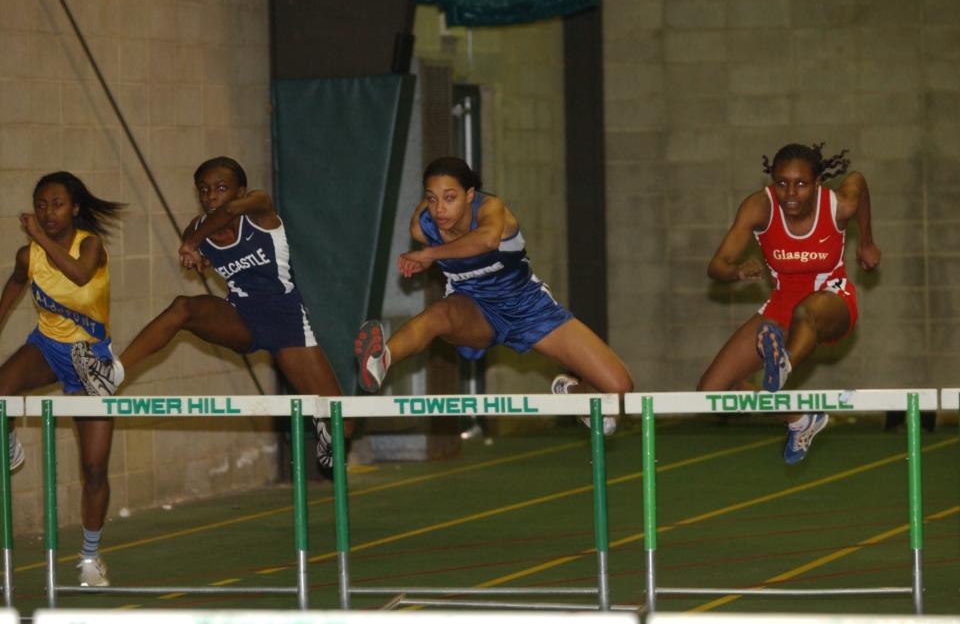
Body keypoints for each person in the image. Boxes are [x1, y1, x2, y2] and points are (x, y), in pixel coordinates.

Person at [70, 157, 345, 470]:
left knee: (342, 424)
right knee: (183, 308)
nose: (211, 196)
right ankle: (112, 374)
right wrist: (199, 258)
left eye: (221, 188)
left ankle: (324, 429)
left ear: (240, 192)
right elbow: (203, 251)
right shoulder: (197, 229)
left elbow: (226, 214)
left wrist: (193, 245)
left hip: (288, 321)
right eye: (204, 190)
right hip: (241, 316)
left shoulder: (259, 208)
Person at [353, 157, 633, 432]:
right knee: (440, 314)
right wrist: (430, 250)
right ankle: (382, 359)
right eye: (432, 198)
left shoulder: (491, 209)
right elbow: (435, 227)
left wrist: (429, 254)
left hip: (530, 308)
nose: (439, 209)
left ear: (469, 194)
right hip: (474, 308)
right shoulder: (422, 225)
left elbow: (486, 240)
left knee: (620, 388)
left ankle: (571, 391)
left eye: (450, 197)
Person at [697, 142, 880, 464]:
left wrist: (866, 241)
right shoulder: (759, 207)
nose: (790, 193)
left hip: (831, 297)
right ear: (772, 183)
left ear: (817, 184)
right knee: (711, 392)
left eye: (800, 184)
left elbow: (859, 181)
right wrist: (737, 271)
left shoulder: (839, 205)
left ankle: (784, 364)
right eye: (781, 183)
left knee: (805, 312)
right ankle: (800, 418)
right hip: (781, 302)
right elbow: (717, 265)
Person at [0, 171, 124, 586]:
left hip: (91, 359)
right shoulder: (28, 256)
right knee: (1, 389)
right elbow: (16, 286)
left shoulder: (90, 244)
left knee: (93, 469)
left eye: (55, 204)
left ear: (74, 208)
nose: (46, 212)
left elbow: (78, 275)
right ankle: (10, 441)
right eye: (40, 205)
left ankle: (90, 557)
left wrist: (39, 235)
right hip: (48, 347)